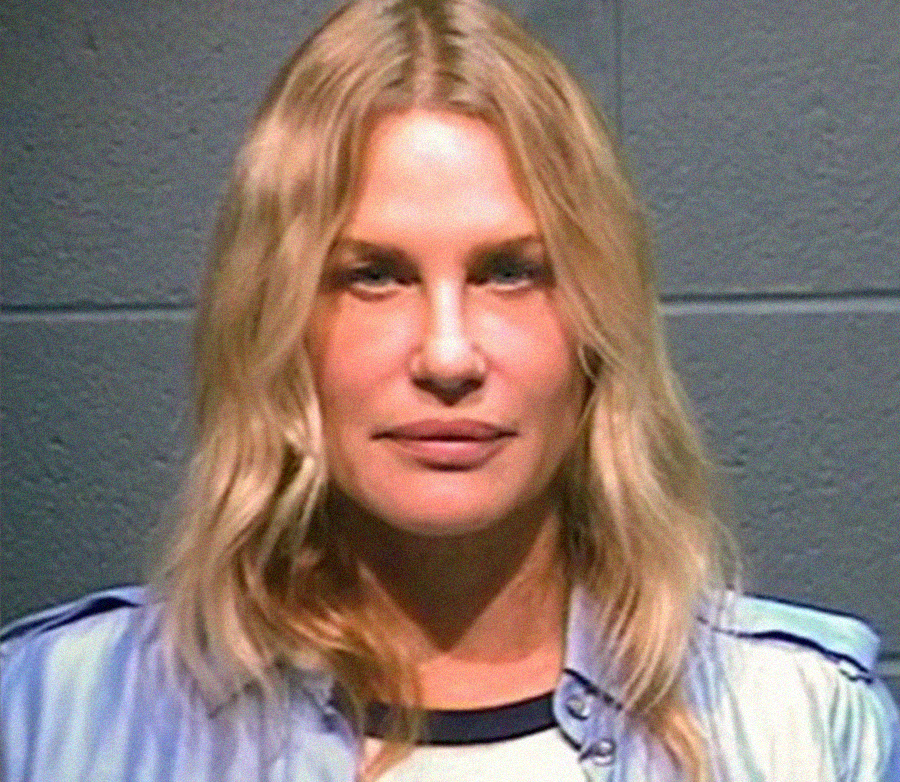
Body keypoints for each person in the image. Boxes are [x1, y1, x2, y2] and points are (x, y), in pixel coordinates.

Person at [2, 0, 898, 779]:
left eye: (511, 273)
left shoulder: (804, 725)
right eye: (373, 276)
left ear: (598, 321)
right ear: (276, 321)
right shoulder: (53, 714)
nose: (448, 353)